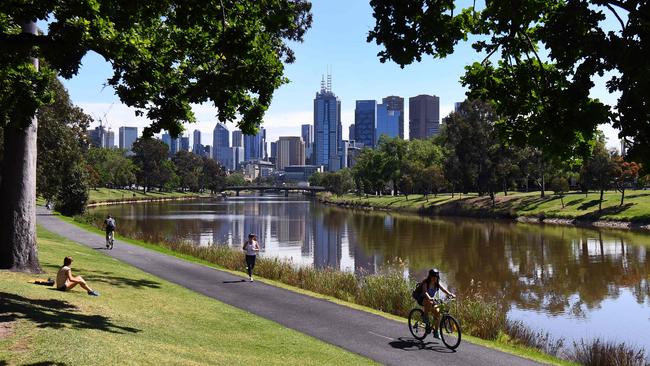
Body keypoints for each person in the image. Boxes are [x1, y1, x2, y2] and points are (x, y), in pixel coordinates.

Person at [416, 268, 455, 339]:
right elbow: (425, 292)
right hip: (422, 298)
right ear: (430, 277)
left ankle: (436, 332)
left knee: (437, 313)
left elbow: (444, 289)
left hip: (431, 300)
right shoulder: (426, 283)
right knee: (429, 301)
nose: (435, 278)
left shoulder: (437, 283)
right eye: (433, 277)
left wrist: (450, 294)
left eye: (436, 277)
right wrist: (429, 297)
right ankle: (425, 316)